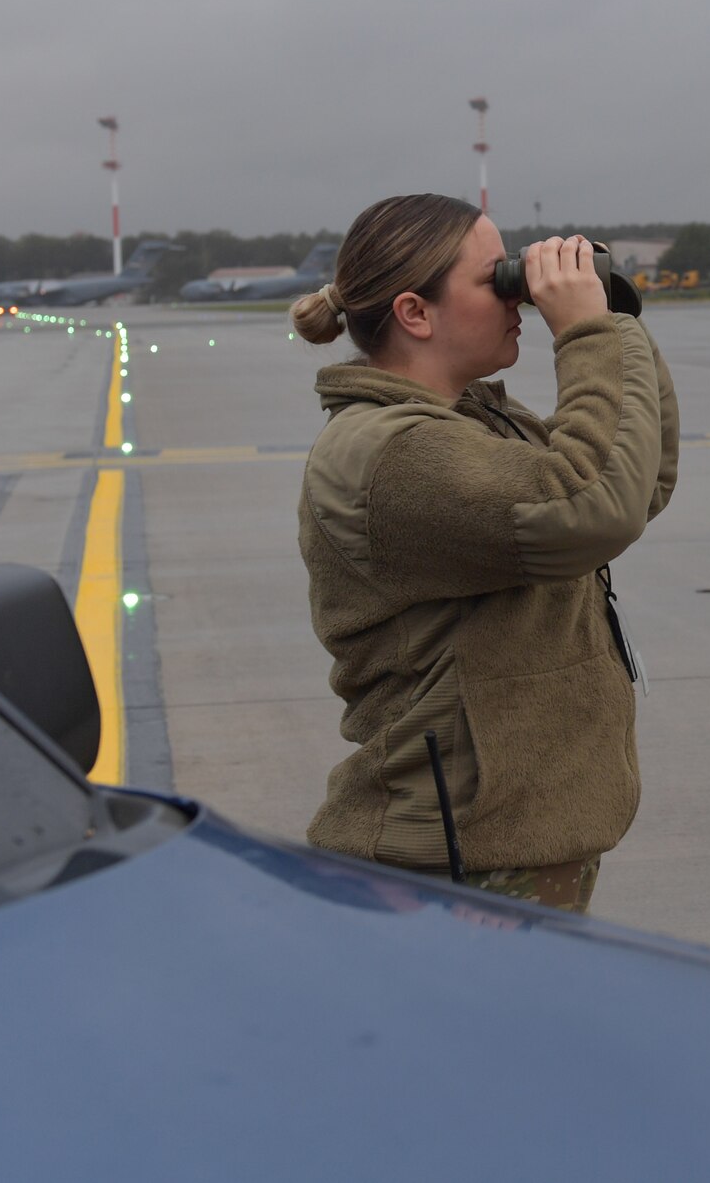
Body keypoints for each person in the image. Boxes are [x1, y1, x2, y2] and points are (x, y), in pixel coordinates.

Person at [289, 194, 677, 913]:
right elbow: (592, 507)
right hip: (453, 868)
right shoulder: (394, 454)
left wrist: (613, 313)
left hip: (497, 843)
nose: (519, 296)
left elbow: (637, 479)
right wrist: (586, 330)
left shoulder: (464, 423)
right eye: (496, 279)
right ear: (415, 312)